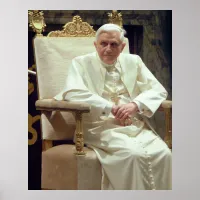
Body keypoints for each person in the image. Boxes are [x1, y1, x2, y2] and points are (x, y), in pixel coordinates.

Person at [54, 23, 172, 190]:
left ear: (122, 46)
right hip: (99, 127)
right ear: (96, 45)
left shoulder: (134, 61)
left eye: (114, 44)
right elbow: (73, 92)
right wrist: (111, 108)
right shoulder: (80, 63)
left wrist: (135, 105)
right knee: (133, 154)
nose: (108, 49)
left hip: (134, 124)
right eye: (103, 44)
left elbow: (158, 90)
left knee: (164, 154)